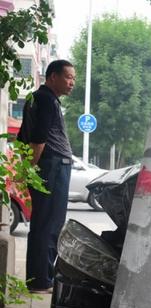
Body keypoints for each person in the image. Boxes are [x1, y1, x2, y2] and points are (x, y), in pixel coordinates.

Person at [18, 59, 76, 294]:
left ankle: (37, 280)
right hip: (52, 167)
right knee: (49, 224)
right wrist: (30, 170)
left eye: (73, 78)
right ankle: (41, 281)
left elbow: (23, 136)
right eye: (68, 77)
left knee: (42, 223)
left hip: (49, 166)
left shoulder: (36, 98)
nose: (71, 82)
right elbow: (38, 138)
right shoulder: (46, 100)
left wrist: (27, 169)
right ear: (52, 76)